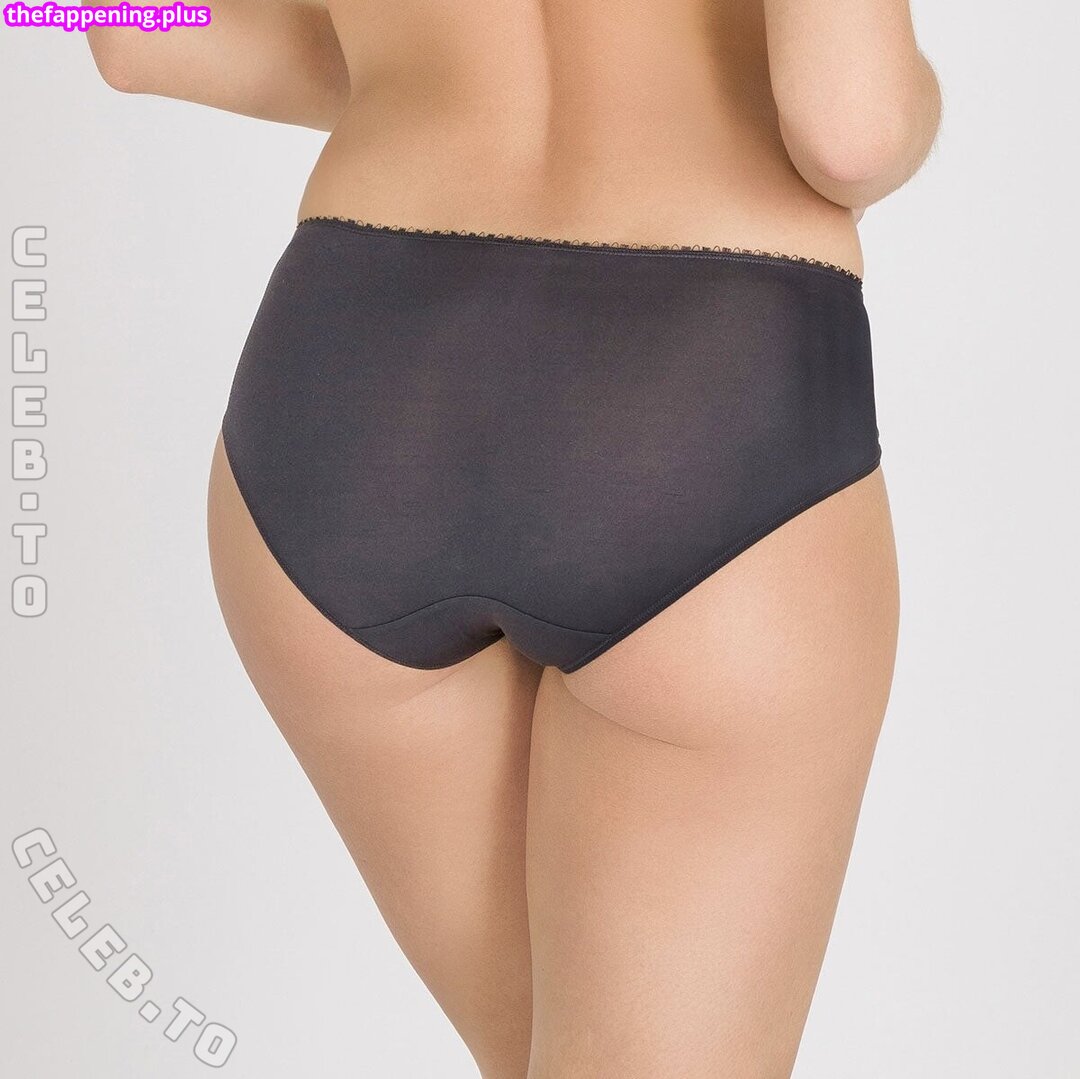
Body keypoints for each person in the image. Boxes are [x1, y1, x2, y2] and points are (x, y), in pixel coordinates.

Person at [86, 3, 941, 1075]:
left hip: (350, 391)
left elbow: (127, 33)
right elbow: (852, 128)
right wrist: (922, 102)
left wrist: (426, 71)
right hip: (691, 390)